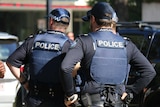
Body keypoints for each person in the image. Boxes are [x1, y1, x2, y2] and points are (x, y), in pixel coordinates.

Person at [60, 2, 156, 107]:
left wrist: (70, 94)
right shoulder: (127, 44)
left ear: (92, 19)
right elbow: (149, 72)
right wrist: (130, 92)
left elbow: (65, 67)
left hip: (90, 101)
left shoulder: (85, 41)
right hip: (117, 102)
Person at [6, 8, 71, 107]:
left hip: (34, 98)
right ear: (67, 24)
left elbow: (11, 62)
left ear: (51, 21)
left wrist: (24, 82)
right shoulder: (70, 45)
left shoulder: (33, 40)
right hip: (58, 100)